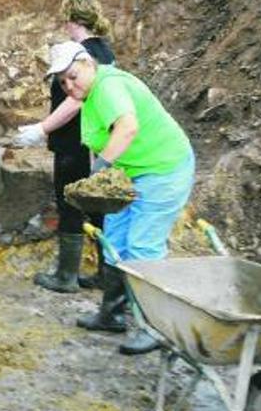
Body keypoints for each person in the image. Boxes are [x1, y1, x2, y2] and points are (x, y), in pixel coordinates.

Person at [46, 41, 196, 355]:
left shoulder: (109, 86)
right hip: (132, 172)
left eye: (73, 76)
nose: (69, 86)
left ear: (88, 63)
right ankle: (112, 314)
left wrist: (100, 170)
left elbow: (127, 128)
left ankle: (155, 328)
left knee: (142, 247)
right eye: (63, 82)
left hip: (164, 170)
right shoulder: (91, 95)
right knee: (114, 238)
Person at [14, 0, 116, 294]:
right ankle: (104, 273)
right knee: (98, 208)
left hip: (74, 144)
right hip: (91, 143)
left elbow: (75, 101)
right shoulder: (103, 51)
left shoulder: (84, 55)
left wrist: (40, 129)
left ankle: (66, 276)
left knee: (70, 203)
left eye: (66, 21)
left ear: (73, 20)